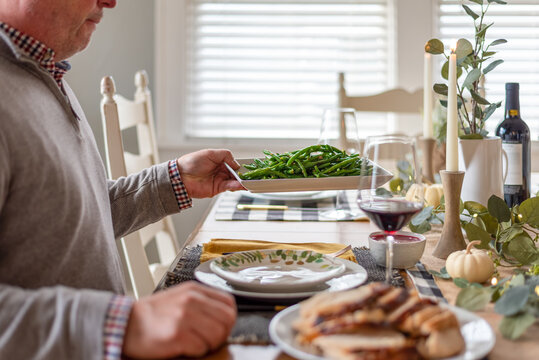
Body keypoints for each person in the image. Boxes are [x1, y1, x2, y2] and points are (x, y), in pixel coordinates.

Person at [0, 0, 245, 359]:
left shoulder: (44, 74)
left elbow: (77, 218)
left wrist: (171, 180)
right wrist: (124, 323)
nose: (110, 1)